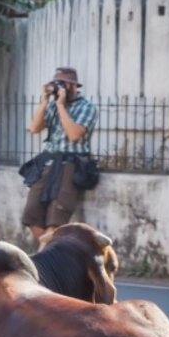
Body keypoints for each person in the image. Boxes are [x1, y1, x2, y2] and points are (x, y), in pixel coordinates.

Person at [21, 67, 98, 242]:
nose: (59, 88)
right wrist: (44, 101)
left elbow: (74, 135)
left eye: (62, 84)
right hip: (48, 161)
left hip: (70, 163)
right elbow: (34, 128)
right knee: (31, 214)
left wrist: (61, 106)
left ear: (73, 86)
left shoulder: (86, 107)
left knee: (56, 218)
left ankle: (45, 262)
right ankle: (51, 255)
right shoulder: (52, 105)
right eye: (56, 83)